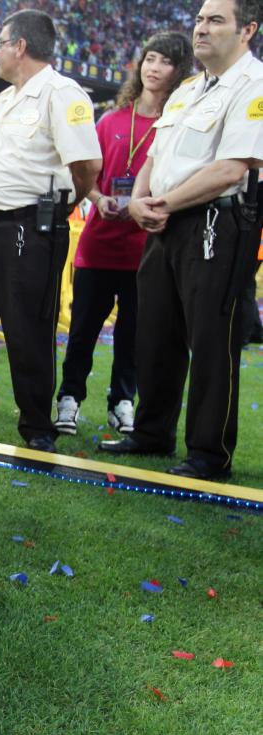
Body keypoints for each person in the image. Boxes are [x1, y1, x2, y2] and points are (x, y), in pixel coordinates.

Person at [100, 0, 263, 481]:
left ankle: (209, 454)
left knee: (212, 339)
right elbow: (155, 152)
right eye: (198, 19)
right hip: (162, 223)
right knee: (156, 334)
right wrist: (140, 201)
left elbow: (232, 167)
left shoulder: (254, 87)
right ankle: (151, 433)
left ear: (247, 30)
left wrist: (162, 204)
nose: (201, 29)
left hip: (216, 223)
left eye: (216, 20)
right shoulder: (188, 89)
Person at [0, 9, 102, 453]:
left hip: (28, 227)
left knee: (27, 330)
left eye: (1, 43)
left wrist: (61, 209)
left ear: (20, 46)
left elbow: (88, 165)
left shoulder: (62, 93)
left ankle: (37, 427)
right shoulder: (4, 99)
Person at [55, 33, 194, 438]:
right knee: (82, 331)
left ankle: (122, 402)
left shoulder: (177, 126)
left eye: (164, 61)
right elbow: (87, 175)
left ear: (178, 70)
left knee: (134, 335)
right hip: (98, 246)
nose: (154, 68)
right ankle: (69, 398)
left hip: (146, 251)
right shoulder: (111, 120)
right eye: (149, 58)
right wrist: (98, 199)